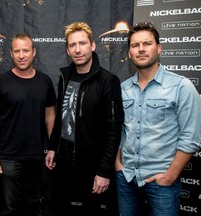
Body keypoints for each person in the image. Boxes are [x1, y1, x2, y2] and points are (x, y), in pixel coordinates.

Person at [115, 22, 201, 216]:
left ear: (159, 48)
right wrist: (118, 165)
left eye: (147, 43)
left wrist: (170, 176)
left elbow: (191, 137)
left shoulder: (181, 86)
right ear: (129, 53)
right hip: (127, 178)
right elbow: (118, 129)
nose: (141, 49)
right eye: (135, 45)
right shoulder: (123, 89)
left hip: (162, 182)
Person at [45, 22, 124, 216]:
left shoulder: (108, 81)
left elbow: (113, 130)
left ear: (92, 45)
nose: (78, 49)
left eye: (82, 43)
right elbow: (63, 117)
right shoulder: (65, 77)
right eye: (73, 45)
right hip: (64, 162)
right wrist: (53, 147)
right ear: (67, 49)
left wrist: (104, 171)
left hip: (93, 166)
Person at [0, 33, 56, 216]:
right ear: (11, 53)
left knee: (33, 205)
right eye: (17, 51)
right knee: (9, 208)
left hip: (36, 156)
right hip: (8, 158)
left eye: (25, 50)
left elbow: (50, 115)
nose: (21, 55)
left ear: (34, 52)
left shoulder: (45, 81)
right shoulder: (0, 82)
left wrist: (53, 148)